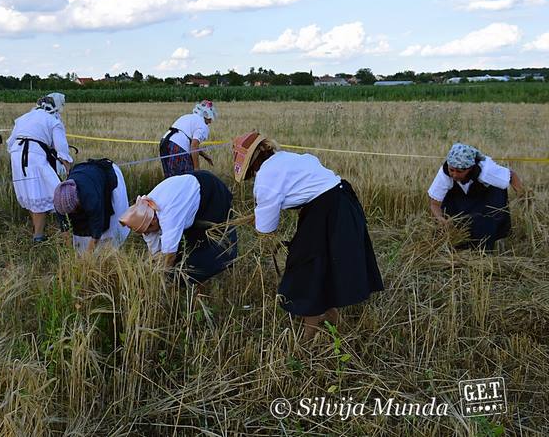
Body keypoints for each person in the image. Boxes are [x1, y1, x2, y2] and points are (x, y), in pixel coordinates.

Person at [232, 131, 383, 340]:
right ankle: (331, 317)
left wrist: (262, 228)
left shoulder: (265, 179)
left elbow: (266, 229)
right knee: (326, 265)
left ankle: (308, 337)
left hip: (327, 212)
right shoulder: (286, 158)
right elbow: (305, 189)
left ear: (250, 163)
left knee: (307, 269)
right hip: (343, 202)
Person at [119, 170, 237, 285]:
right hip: (187, 198)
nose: (147, 234)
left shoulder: (169, 215)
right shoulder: (145, 212)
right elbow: (155, 250)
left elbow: (169, 254)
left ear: (153, 220)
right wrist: (153, 269)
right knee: (188, 244)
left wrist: (162, 280)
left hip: (211, 192)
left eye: (148, 231)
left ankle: (225, 264)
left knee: (211, 242)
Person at [428, 142, 523, 250]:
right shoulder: (445, 173)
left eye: (459, 171)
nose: (454, 174)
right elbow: (434, 203)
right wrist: (440, 218)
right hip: (459, 200)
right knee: (449, 223)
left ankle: (482, 251)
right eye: (451, 170)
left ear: (470, 168)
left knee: (485, 224)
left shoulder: (487, 171)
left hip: (485, 198)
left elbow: (511, 175)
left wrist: (522, 194)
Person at [7, 93, 73, 243]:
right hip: (34, 156)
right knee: (57, 193)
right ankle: (65, 236)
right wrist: (69, 168)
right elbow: (61, 148)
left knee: (32, 194)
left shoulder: (24, 117)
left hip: (17, 155)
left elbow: (10, 143)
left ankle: (38, 234)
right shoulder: (52, 120)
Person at [53, 158, 130, 255]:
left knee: (110, 229)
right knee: (80, 246)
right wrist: (70, 253)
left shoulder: (90, 197)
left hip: (106, 177)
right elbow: (64, 227)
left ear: (78, 202)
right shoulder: (59, 200)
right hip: (86, 175)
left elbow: (97, 227)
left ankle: (109, 252)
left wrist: (88, 258)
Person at [159, 100, 216, 178]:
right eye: (210, 118)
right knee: (187, 179)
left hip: (164, 143)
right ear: (205, 115)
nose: (210, 121)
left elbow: (188, 141)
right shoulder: (203, 126)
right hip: (177, 148)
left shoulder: (187, 117)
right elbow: (194, 145)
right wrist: (197, 170)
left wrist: (204, 155)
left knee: (170, 180)